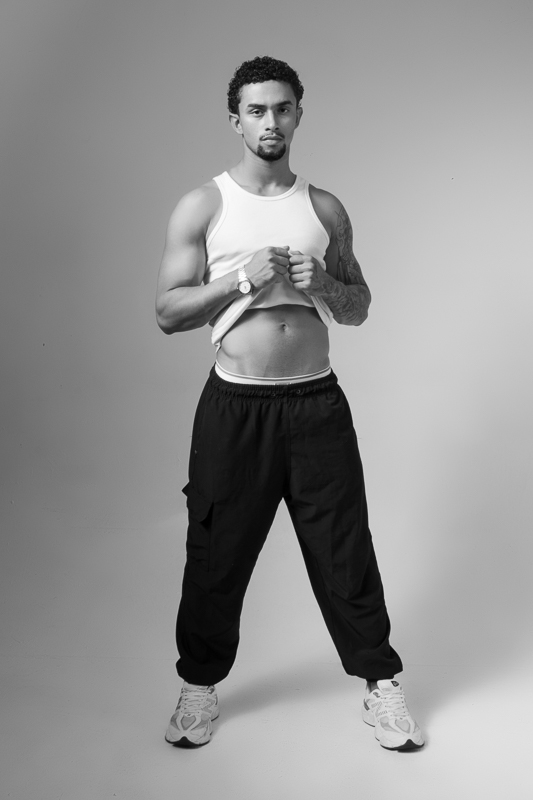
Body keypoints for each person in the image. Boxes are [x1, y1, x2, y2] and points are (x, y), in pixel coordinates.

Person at [156, 56, 424, 751]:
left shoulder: (324, 208)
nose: (269, 121)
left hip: (315, 405)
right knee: (215, 551)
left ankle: (380, 684)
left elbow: (358, 307)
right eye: (256, 110)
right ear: (235, 120)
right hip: (235, 407)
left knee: (344, 549)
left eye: (281, 108)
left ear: (298, 114)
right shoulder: (204, 205)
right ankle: (198, 685)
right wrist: (239, 281)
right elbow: (167, 312)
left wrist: (323, 285)